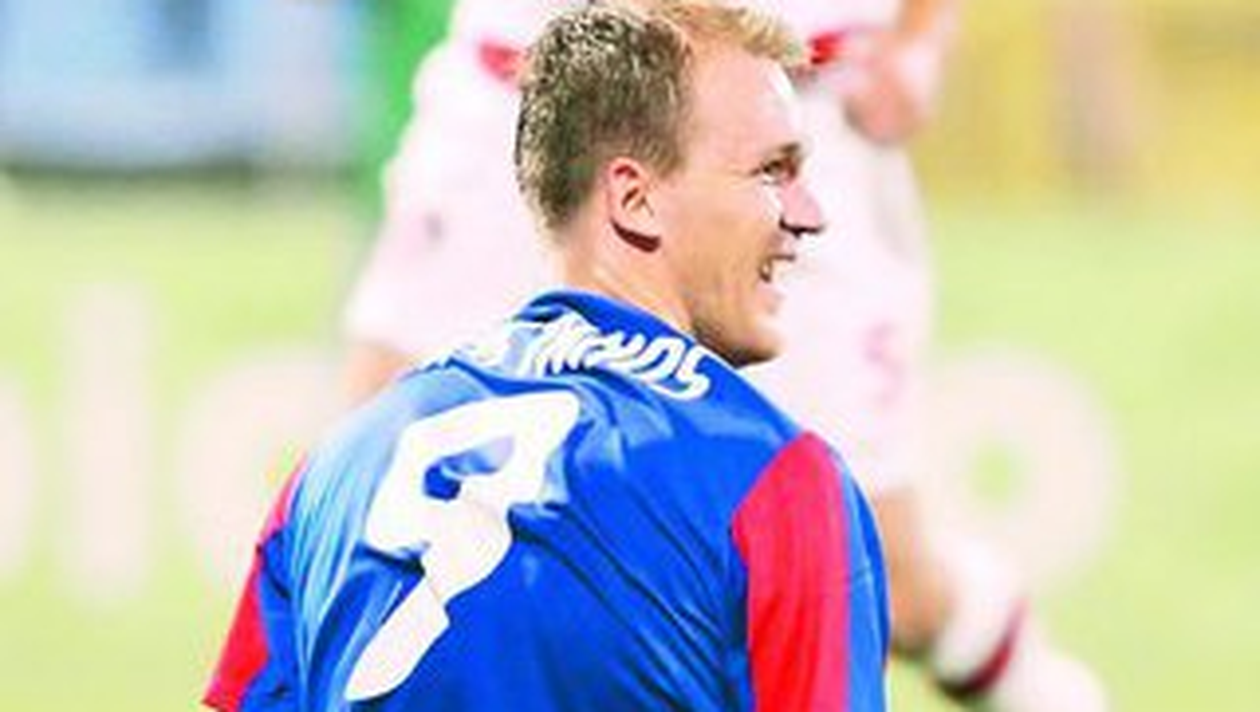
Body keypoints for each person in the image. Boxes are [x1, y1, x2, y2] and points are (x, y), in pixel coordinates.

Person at [341, 0, 1108, 710]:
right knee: (369, 518)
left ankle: (1040, 691)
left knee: (888, 582)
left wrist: (919, 40)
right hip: (512, 105)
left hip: (790, 106)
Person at [204, 2, 890, 709]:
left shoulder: (332, 471)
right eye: (772, 172)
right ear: (634, 199)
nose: (811, 214)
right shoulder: (775, 484)